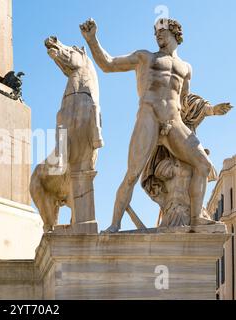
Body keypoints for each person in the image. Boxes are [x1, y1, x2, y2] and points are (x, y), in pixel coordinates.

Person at [80, 18, 232, 232]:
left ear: (175, 34)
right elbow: (108, 64)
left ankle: (196, 217)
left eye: (162, 31)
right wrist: (92, 40)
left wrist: (212, 110)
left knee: (204, 165)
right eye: (156, 33)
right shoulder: (145, 57)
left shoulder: (186, 68)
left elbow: (185, 101)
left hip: (174, 122)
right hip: (148, 116)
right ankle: (114, 225)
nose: (157, 35)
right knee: (132, 174)